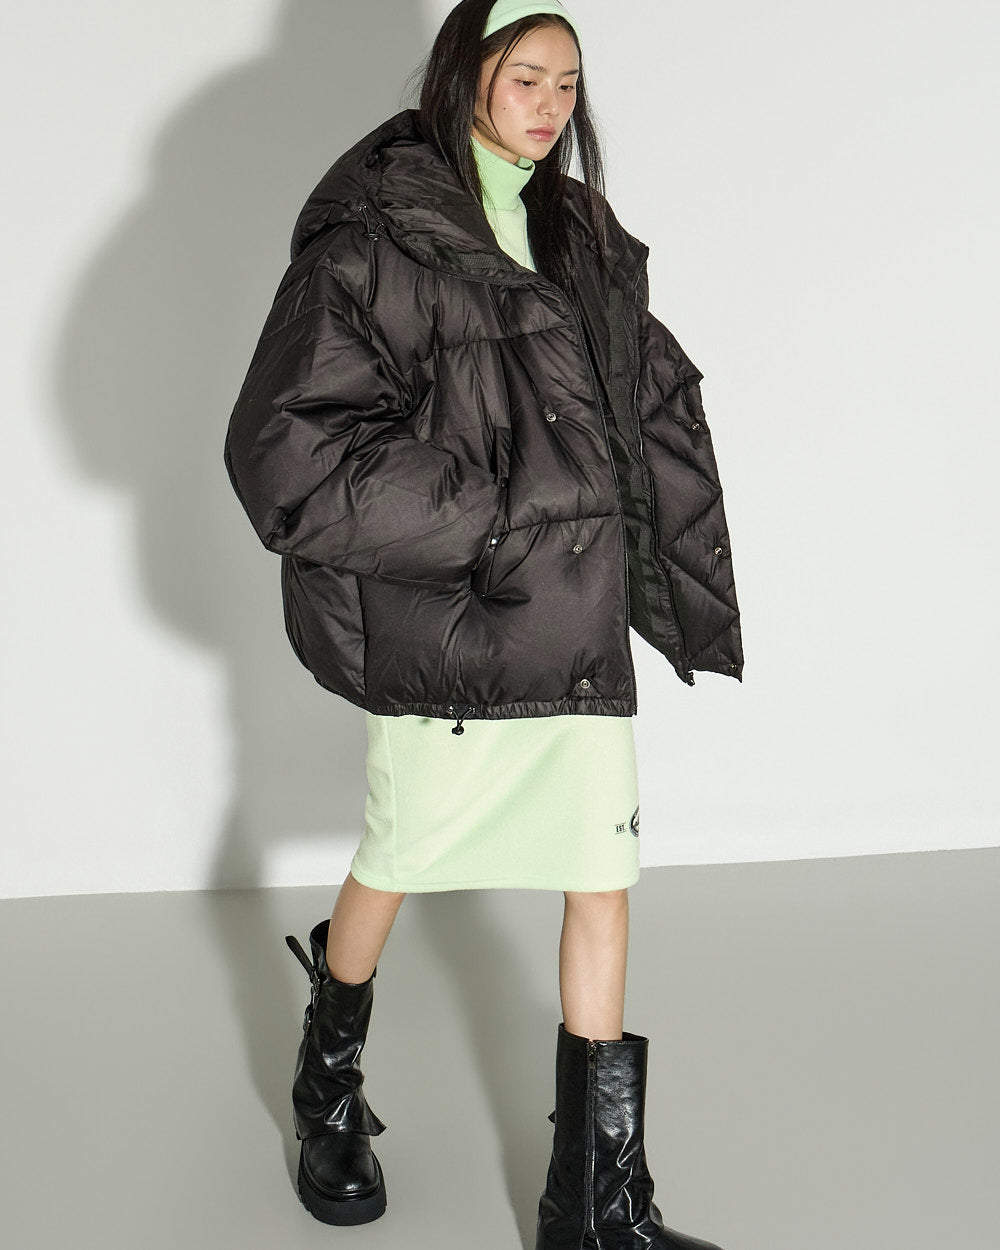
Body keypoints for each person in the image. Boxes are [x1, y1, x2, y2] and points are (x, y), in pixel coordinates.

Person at [224, 0, 743, 1244]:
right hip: (453, 625)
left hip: (572, 616)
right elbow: (286, 449)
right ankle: (327, 1080)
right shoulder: (377, 236)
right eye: (526, 78)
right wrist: (496, 517)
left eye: (568, 83)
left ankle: (595, 1203)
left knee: (602, 879)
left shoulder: (577, 230)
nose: (551, 105)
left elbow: (619, 416)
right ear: (466, 75)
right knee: (398, 858)